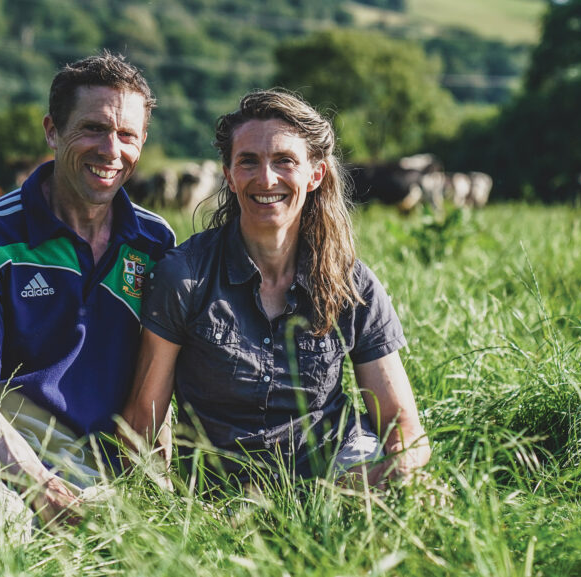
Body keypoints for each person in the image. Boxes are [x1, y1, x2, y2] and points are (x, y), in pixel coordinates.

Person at [121, 89, 430, 488]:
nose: (266, 178)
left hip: (341, 471)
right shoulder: (184, 276)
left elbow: (401, 423)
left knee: (416, 496)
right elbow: (142, 423)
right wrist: (159, 506)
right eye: (248, 162)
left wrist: (396, 473)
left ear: (314, 174)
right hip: (224, 489)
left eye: (284, 161)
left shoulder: (351, 283)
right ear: (229, 176)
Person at [0, 51, 176, 525]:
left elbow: (156, 385)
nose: (111, 149)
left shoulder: (156, 242)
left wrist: (157, 483)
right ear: (52, 131)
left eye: (127, 135)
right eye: (93, 129)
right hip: (5, 466)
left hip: (113, 471)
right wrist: (41, 485)